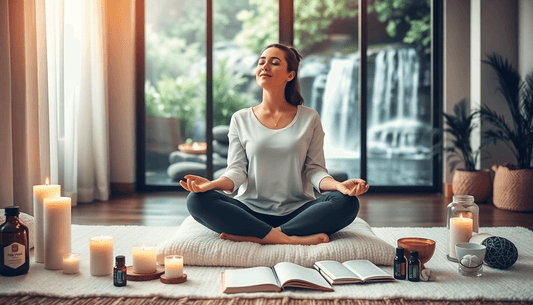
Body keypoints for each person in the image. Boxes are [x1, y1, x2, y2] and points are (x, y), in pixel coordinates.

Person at [181, 43, 369, 245]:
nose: (265, 66)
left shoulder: (309, 117)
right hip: (250, 210)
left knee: (347, 202)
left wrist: (338, 186)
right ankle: (289, 239)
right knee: (197, 200)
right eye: (261, 62)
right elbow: (236, 172)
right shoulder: (240, 118)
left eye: (274, 62)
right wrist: (212, 184)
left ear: (290, 75)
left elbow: (315, 171)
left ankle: (257, 236)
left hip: (298, 211)